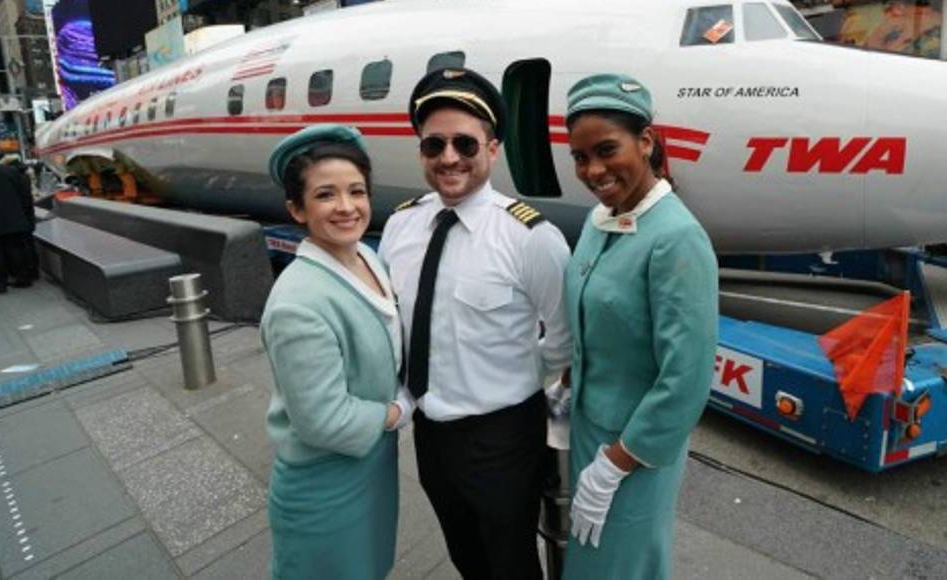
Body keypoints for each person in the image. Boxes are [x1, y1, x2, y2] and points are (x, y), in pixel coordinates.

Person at [379, 67, 572, 579]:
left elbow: (564, 343)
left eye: (464, 143)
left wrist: (557, 439)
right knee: (465, 556)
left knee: (510, 564)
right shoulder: (400, 225)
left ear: (492, 148)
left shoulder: (531, 237)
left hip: (503, 435)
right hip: (430, 431)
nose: (448, 158)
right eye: (433, 144)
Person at [561, 74, 719, 578]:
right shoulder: (599, 220)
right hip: (589, 431)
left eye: (607, 150)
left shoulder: (676, 239)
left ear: (646, 142)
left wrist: (614, 465)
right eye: (581, 157)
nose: (594, 170)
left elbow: (686, 379)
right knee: (591, 562)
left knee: (623, 567)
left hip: (633, 451)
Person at [260, 125, 414, 580]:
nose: (347, 207)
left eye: (357, 191)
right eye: (326, 195)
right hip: (323, 483)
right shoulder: (297, 303)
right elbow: (322, 420)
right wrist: (397, 411)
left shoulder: (367, 255)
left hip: (371, 467)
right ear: (297, 208)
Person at [0, 149, 37, 294]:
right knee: (16, 248)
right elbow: (24, 195)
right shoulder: (10, 171)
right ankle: (23, 279)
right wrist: (26, 215)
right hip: (14, 217)